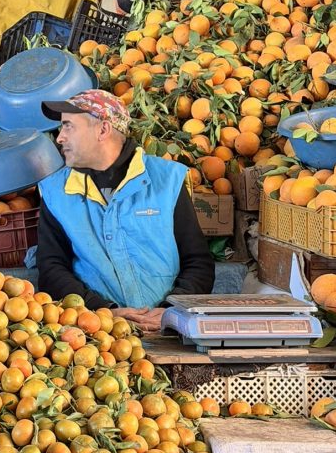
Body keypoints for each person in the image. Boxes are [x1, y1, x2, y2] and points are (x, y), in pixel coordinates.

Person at [37, 89, 215, 332]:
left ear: (102, 129)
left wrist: (170, 310)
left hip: (169, 331)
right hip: (97, 337)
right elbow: (51, 268)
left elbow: (198, 262)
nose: (60, 137)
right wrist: (102, 311)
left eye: (68, 126)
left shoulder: (167, 180)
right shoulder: (55, 192)